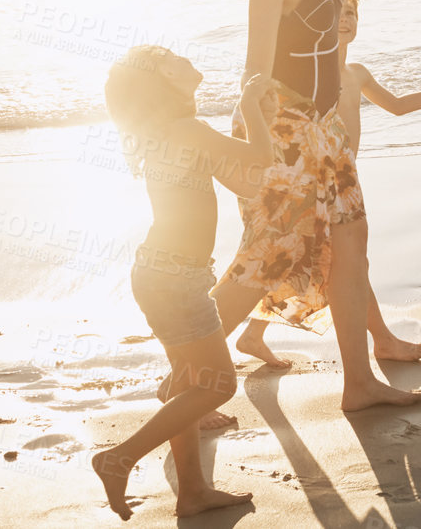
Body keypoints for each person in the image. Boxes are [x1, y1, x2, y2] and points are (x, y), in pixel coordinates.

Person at [208, 0, 421, 412]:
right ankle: (192, 371)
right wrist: (257, 144)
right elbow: (255, 69)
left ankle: (358, 385)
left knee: (351, 249)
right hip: (281, 125)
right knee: (267, 255)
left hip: (324, 129)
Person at [91, 46, 275, 520]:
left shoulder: (163, 135)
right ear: (162, 82)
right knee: (217, 385)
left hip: (159, 273)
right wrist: (250, 107)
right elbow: (260, 161)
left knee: (189, 383)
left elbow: (248, 184)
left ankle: (192, 491)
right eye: (168, 58)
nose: (182, 58)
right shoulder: (188, 130)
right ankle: (119, 458)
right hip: (177, 280)